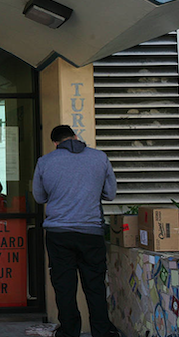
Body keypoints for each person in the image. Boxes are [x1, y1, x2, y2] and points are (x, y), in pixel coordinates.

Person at [33, 125, 119, 337]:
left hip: (58, 234)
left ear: (55, 143)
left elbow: (39, 197)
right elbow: (110, 194)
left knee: (64, 288)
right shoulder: (100, 158)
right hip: (91, 232)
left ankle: (69, 333)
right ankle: (101, 332)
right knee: (95, 286)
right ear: (76, 136)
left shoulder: (45, 162)